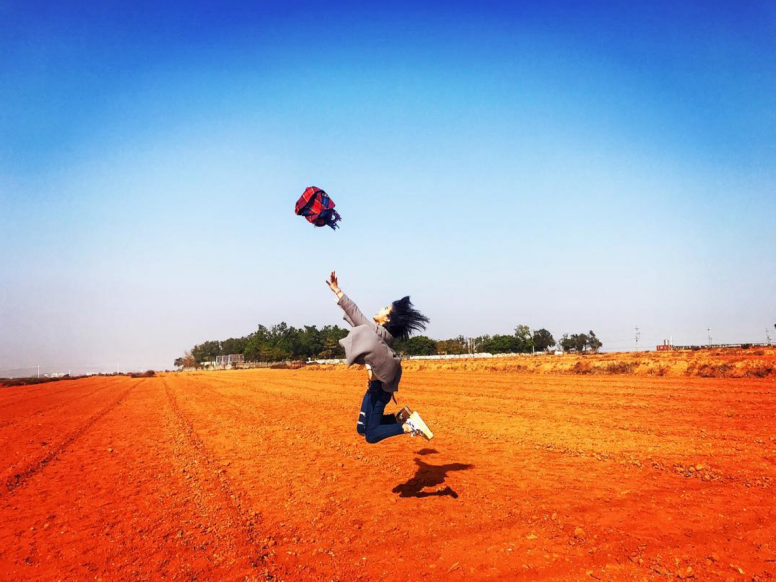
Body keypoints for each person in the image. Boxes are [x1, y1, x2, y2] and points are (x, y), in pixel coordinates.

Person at [326, 271, 434, 443]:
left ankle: (410, 425)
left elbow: (355, 314)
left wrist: (337, 291)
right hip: (373, 389)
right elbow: (357, 321)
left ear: (387, 319)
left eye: (385, 309)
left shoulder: (376, 332)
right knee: (362, 428)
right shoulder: (379, 334)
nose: (380, 309)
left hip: (379, 391)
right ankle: (399, 418)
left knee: (372, 435)